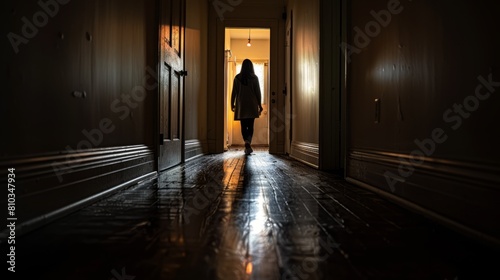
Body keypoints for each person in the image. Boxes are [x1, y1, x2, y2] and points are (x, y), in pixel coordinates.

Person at [231, 59, 263, 155]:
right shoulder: (255, 78)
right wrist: (259, 105)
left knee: (243, 125)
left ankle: (246, 143)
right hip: (252, 104)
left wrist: (232, 104)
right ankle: (248, 143)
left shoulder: (237, 78)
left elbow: (234, 93)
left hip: (241, 105)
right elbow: (258, 93)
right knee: (251, 125)